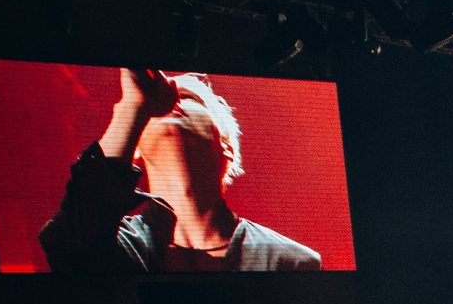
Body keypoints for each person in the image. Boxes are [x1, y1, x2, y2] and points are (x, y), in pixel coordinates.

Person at [40, 67, 321, 274]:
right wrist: (133, 107)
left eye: (188, 99)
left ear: (226, 147)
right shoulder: (116, 244)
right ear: (136, 147)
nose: (169, 104)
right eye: (157, 107)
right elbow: (69, 243)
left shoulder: (292, 261)